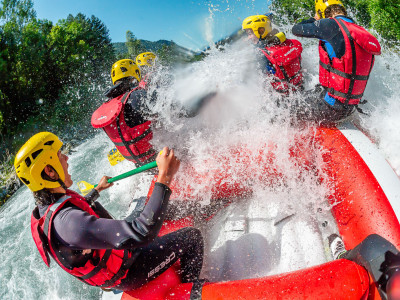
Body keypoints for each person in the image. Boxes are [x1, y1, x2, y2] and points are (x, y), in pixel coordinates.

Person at [15, 132, 204, 291]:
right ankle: (190, 289)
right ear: (49, 171)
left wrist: (96, 190)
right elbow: (141, 233)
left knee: (143, 207)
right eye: (60, 155)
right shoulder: (68, 223)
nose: (66, 158)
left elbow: (77, 209)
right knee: (192, 237)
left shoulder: (49, 205)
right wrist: (165, 176)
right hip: (129, 270)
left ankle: (205, 207)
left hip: (117, 254)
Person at [92, 59, 215, 166]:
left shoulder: (110, 106)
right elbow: (184, 111)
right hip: (162, 161)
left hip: (140, 165)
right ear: (135, 74)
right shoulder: (137, 96)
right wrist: (206, 99)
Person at [291, 0, 381, 124]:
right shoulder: (360, 31)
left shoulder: (330, 24)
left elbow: (296, 29)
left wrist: (314, 19)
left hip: (329, 109)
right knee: (309, 93)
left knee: (287, 106)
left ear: (321, 12)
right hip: (350, 108)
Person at [242, 14, 303, 95]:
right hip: (300, 87)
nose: (249, 37)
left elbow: (259, 79)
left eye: (250, 33)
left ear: (261, 31)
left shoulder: (261, 54)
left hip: (281, 97)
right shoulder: (289, 42)